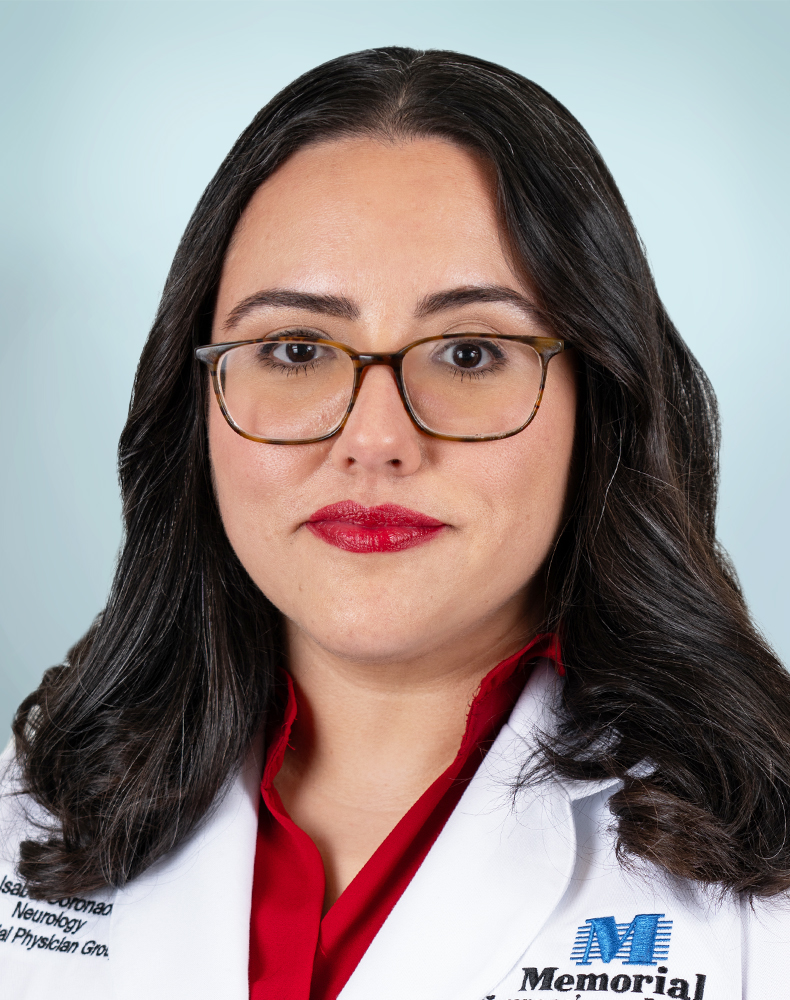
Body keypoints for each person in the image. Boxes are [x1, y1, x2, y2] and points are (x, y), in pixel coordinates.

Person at [1, 46, 789, 1000]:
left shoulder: (765, 880)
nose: (375, 441)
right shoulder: (25, 819)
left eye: (469, 352)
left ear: (602, 403)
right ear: (194, 402)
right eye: (296, 349)